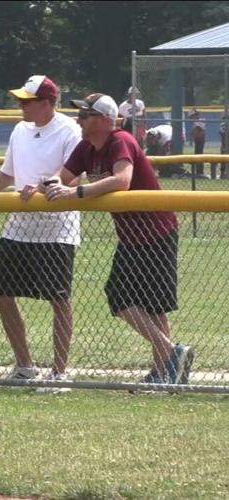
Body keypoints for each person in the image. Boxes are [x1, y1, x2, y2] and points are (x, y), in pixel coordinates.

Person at [44, 93, 193, 385]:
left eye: (85, 115)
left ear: (103, 120)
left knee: (129, 299)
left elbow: (122, 180)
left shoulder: (120, 140)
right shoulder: (86, 147)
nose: (79, 119)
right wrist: (46, 184)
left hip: (156, 230)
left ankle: (168, 358)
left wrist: (76, 193)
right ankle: (167, 367)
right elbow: (63, 177)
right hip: (130, 235)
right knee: (137, 301)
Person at [0, 75, 82, 389]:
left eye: (26, 101)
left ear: (46, 103)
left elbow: (72, 177)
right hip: (19, 225)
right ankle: (25, 366)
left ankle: (60, 372)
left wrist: (46, 185)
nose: (20, 106)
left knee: (59, 299)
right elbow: (5, 178)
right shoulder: (20, 130)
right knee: (1, 293)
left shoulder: (70, 131)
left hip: (57, 228)